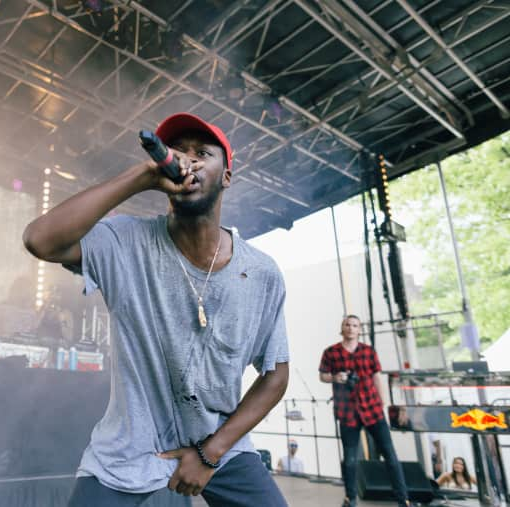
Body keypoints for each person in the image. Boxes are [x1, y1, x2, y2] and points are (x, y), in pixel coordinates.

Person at [23, 113, 290, 506]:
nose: (188, 160)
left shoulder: (261, 272)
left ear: (227, 176)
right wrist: (142, 177)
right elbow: (40, 240)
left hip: (221, 448)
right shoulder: (125, 241)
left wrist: (210, 453)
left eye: (202, 153)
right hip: (129, 449)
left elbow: (275, 374)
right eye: (179, 151)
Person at [319, 315, 410, 507]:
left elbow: (377, 377)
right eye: (347, 325)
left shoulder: (368, 351)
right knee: (350, 459)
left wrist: (384, 404)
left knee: (391, 456)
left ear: (359, 329)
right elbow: (323, 376)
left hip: (373, 410)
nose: (351, 328)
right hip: (347, 412)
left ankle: (404, 499)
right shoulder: (331, 352)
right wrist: (336, 377)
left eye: (354, 325)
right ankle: (350, 498)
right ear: (342, 328)